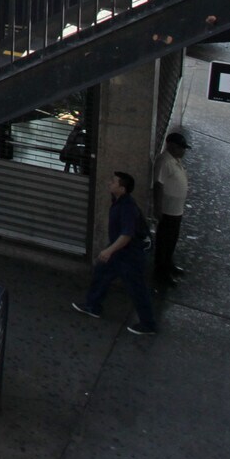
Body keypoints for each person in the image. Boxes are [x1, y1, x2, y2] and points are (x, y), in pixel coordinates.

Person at [74, 171, 157, 333]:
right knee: (101, 272)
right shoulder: (118, 201)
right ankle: (93, 306)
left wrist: (109, 251)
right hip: (120, 252)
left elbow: (126, 235)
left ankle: (148, 325)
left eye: (113, 182)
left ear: (122, 189)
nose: (109, 183)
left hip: (130, 255)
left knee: (137, 289)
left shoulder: (127, 208)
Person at [154, 130, 190, 288]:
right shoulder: (164, 161)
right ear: (172, 146)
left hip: (176, 209)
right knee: (165, 241)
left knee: (172, 239)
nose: (183, 151)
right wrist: (158, 207)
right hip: (168, 210)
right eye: (181, 148)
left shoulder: (175, 160)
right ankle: (161, 271)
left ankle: (169, 264)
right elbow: (158, 185)